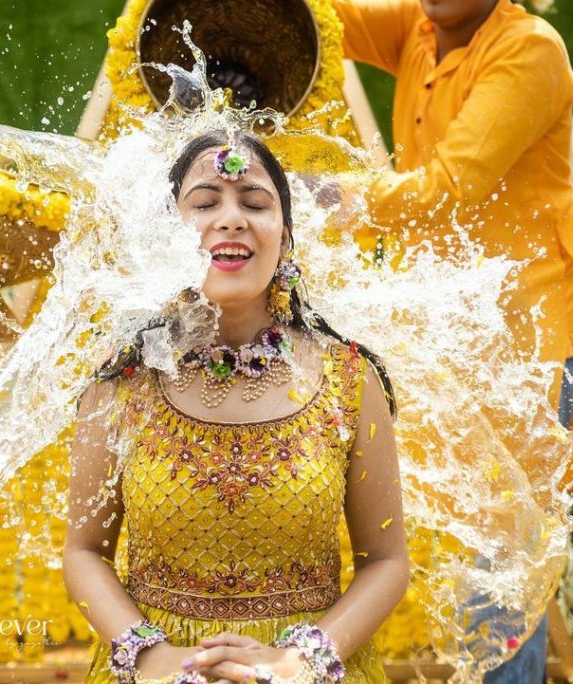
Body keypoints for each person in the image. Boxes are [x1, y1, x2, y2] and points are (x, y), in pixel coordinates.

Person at [62, 130, 410, 683]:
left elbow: (387, 563)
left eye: (254, 203)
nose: (231, 218)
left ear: (287, 240)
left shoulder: (348, 377)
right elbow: (85, 552)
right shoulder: (122, 380)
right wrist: (151, 656)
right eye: (204, 203)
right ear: (164, 237)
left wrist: (302, 661)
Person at [332, 0, 573, 680]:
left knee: (500, 573)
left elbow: (454, 185)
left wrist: (335, 198)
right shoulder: (419, 31)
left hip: (525, 350)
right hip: (453, 343)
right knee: (474, 565)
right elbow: (320, 16)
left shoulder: (529, 50)